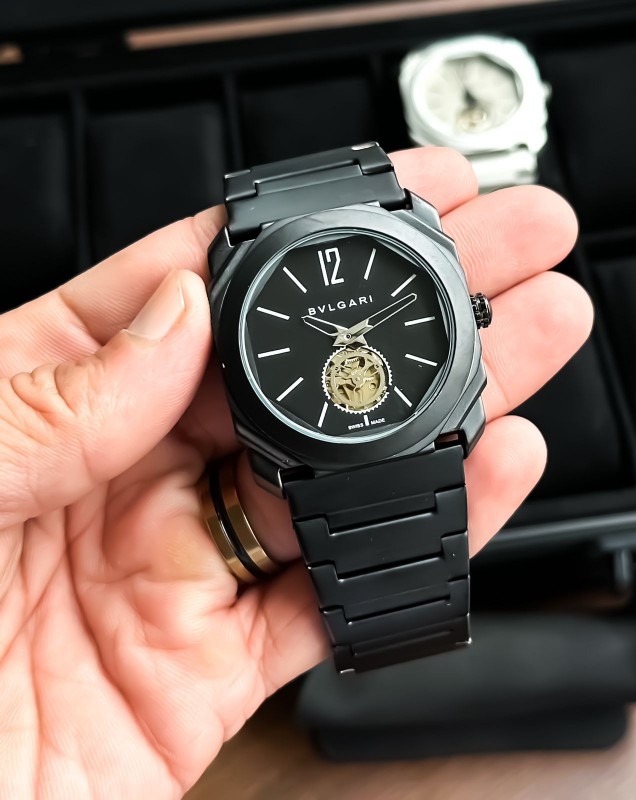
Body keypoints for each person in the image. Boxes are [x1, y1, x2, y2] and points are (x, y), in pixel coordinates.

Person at [0, 147, 590, 798]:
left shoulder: (404, 241)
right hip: (324, 461)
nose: (348, 340)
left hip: (410, 435)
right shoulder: (364, 235)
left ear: (468, 313)